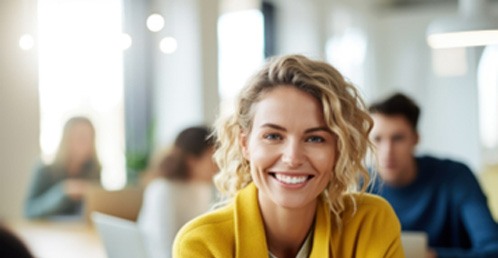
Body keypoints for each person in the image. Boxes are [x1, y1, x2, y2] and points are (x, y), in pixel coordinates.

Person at [173, 55, 404, 257]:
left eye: (315, 139)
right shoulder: (202, 243)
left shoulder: (370, 223)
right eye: (273, 136)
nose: (292, 158)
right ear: (245, 144)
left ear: (339, 149)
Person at [368, 93, 498, 258]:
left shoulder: (456, 177)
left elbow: (493, 249)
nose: (387, 151)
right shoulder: (360, 185)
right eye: (377, 139)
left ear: (415, 138)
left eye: (398, 138)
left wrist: (431, 256)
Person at [137, 126, 218, 258]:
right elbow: (164, 248)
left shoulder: (203, 188)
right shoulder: (163, 190)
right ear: (192, 161)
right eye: (212, 158)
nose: (217, 165)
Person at [24, 116, 101, 219]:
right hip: (49, 232)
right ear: (67, 140)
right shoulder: (45, 170)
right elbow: (29, 212)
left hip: (81, 232)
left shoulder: (94, 171)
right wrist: (63, 192)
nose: (86, 143)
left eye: (89, 138)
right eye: (81, 138)